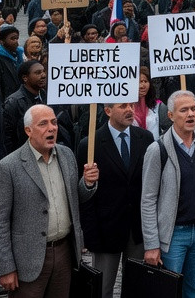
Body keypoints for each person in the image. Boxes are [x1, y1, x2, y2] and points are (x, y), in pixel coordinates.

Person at [0, 104, 99, 298]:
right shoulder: (8, 167)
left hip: (64, 253)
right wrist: (5, 268)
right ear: (28, 130)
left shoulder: (67, 155)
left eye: (54, 122)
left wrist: (88, 184)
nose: (52, 128)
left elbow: (75, 200)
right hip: (28, 261)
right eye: (43, 124)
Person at [141, 91, 195, 298]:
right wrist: (152, 244)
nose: (191, 114)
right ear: (170, 116)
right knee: (168, 292)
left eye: (194, 109)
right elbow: (148, 200)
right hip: (173, 235)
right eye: (184, 110)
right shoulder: (157, 149)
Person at [83, 101, 154, 298]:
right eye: (123, 106)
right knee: (102, 290)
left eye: (131, 105)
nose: (130, 110)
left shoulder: (146, 139)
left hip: (138, 229)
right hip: (106, 231)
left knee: (136, 289)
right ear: (108, 111)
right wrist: (89, 235)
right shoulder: (90, 143)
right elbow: (84, 197)